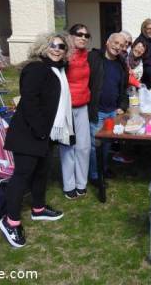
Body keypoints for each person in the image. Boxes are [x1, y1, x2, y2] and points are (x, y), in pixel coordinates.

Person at [0, 33, 73, 248]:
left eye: (61, 46)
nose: (57, 49)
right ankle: (10, 221)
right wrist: (41, 131)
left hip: (46, 133)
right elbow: (29, 101)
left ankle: (38, 209)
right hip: (29, 133)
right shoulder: (36, 68)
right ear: (43, 47)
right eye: (52, 45)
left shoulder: (57, 70)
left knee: (42, 171)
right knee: (22, 176)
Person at [87, 32, 129, 182]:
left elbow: (123, 89)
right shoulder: (94, 58)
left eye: (122, 45)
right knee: (94, 146)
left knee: (106, 145)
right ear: (107, 42)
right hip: (97, 111)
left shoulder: (121, 64)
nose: (118, 47)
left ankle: (102, 169)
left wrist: (123, 106)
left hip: (112, 112)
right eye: (115, 43)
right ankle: (94, 175)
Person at [59, 24, 91, 200]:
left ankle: (81, 183)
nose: (83, 38)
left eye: (86, 35)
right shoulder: (63, 56)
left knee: (84, 147)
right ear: (70, 36)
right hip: (66, 107)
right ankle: (69, 185)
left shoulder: (87, 56)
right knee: (68, 147)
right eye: (79, 34)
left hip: (83, 105)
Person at [135, 18, 151, 88]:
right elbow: (138, 61)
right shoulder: (140, 42)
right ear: (144, 29)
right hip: (143, 75)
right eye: (148, 28)